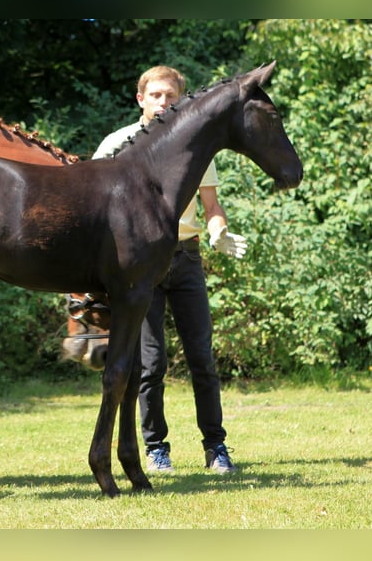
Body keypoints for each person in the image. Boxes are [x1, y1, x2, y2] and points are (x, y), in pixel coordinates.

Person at [92, 65, 246, 474]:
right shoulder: (115, 145)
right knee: (150, 363)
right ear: (140, 99)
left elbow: (212, 208)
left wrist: (219, 232)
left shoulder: (195, 148)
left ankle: (216, 448)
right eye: (156, 95)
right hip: (138, 267)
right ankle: (156, 449)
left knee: (202, 359)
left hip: (186, 258)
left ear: (181, 100)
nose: (164, 103)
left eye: (171, 96)